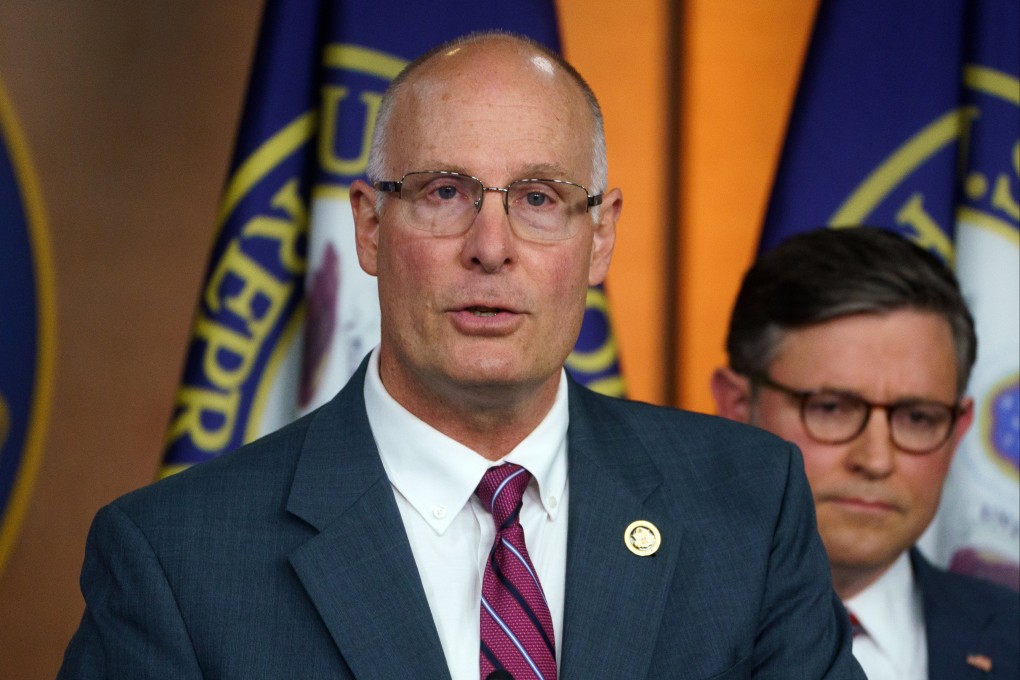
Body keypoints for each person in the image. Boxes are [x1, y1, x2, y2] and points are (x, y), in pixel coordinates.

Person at [59, 32, 864, 679]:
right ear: (370, 227)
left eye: (540, 199)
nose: (491, 247)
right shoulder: (175, 556)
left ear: (601, 237)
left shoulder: (749, 507)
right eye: (445, 192)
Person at [711, 227, 1020, 680]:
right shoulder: (620, 629)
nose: (876, 461)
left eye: (918, 418)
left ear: (959, 430)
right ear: (738, 407)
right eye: (832, 408)